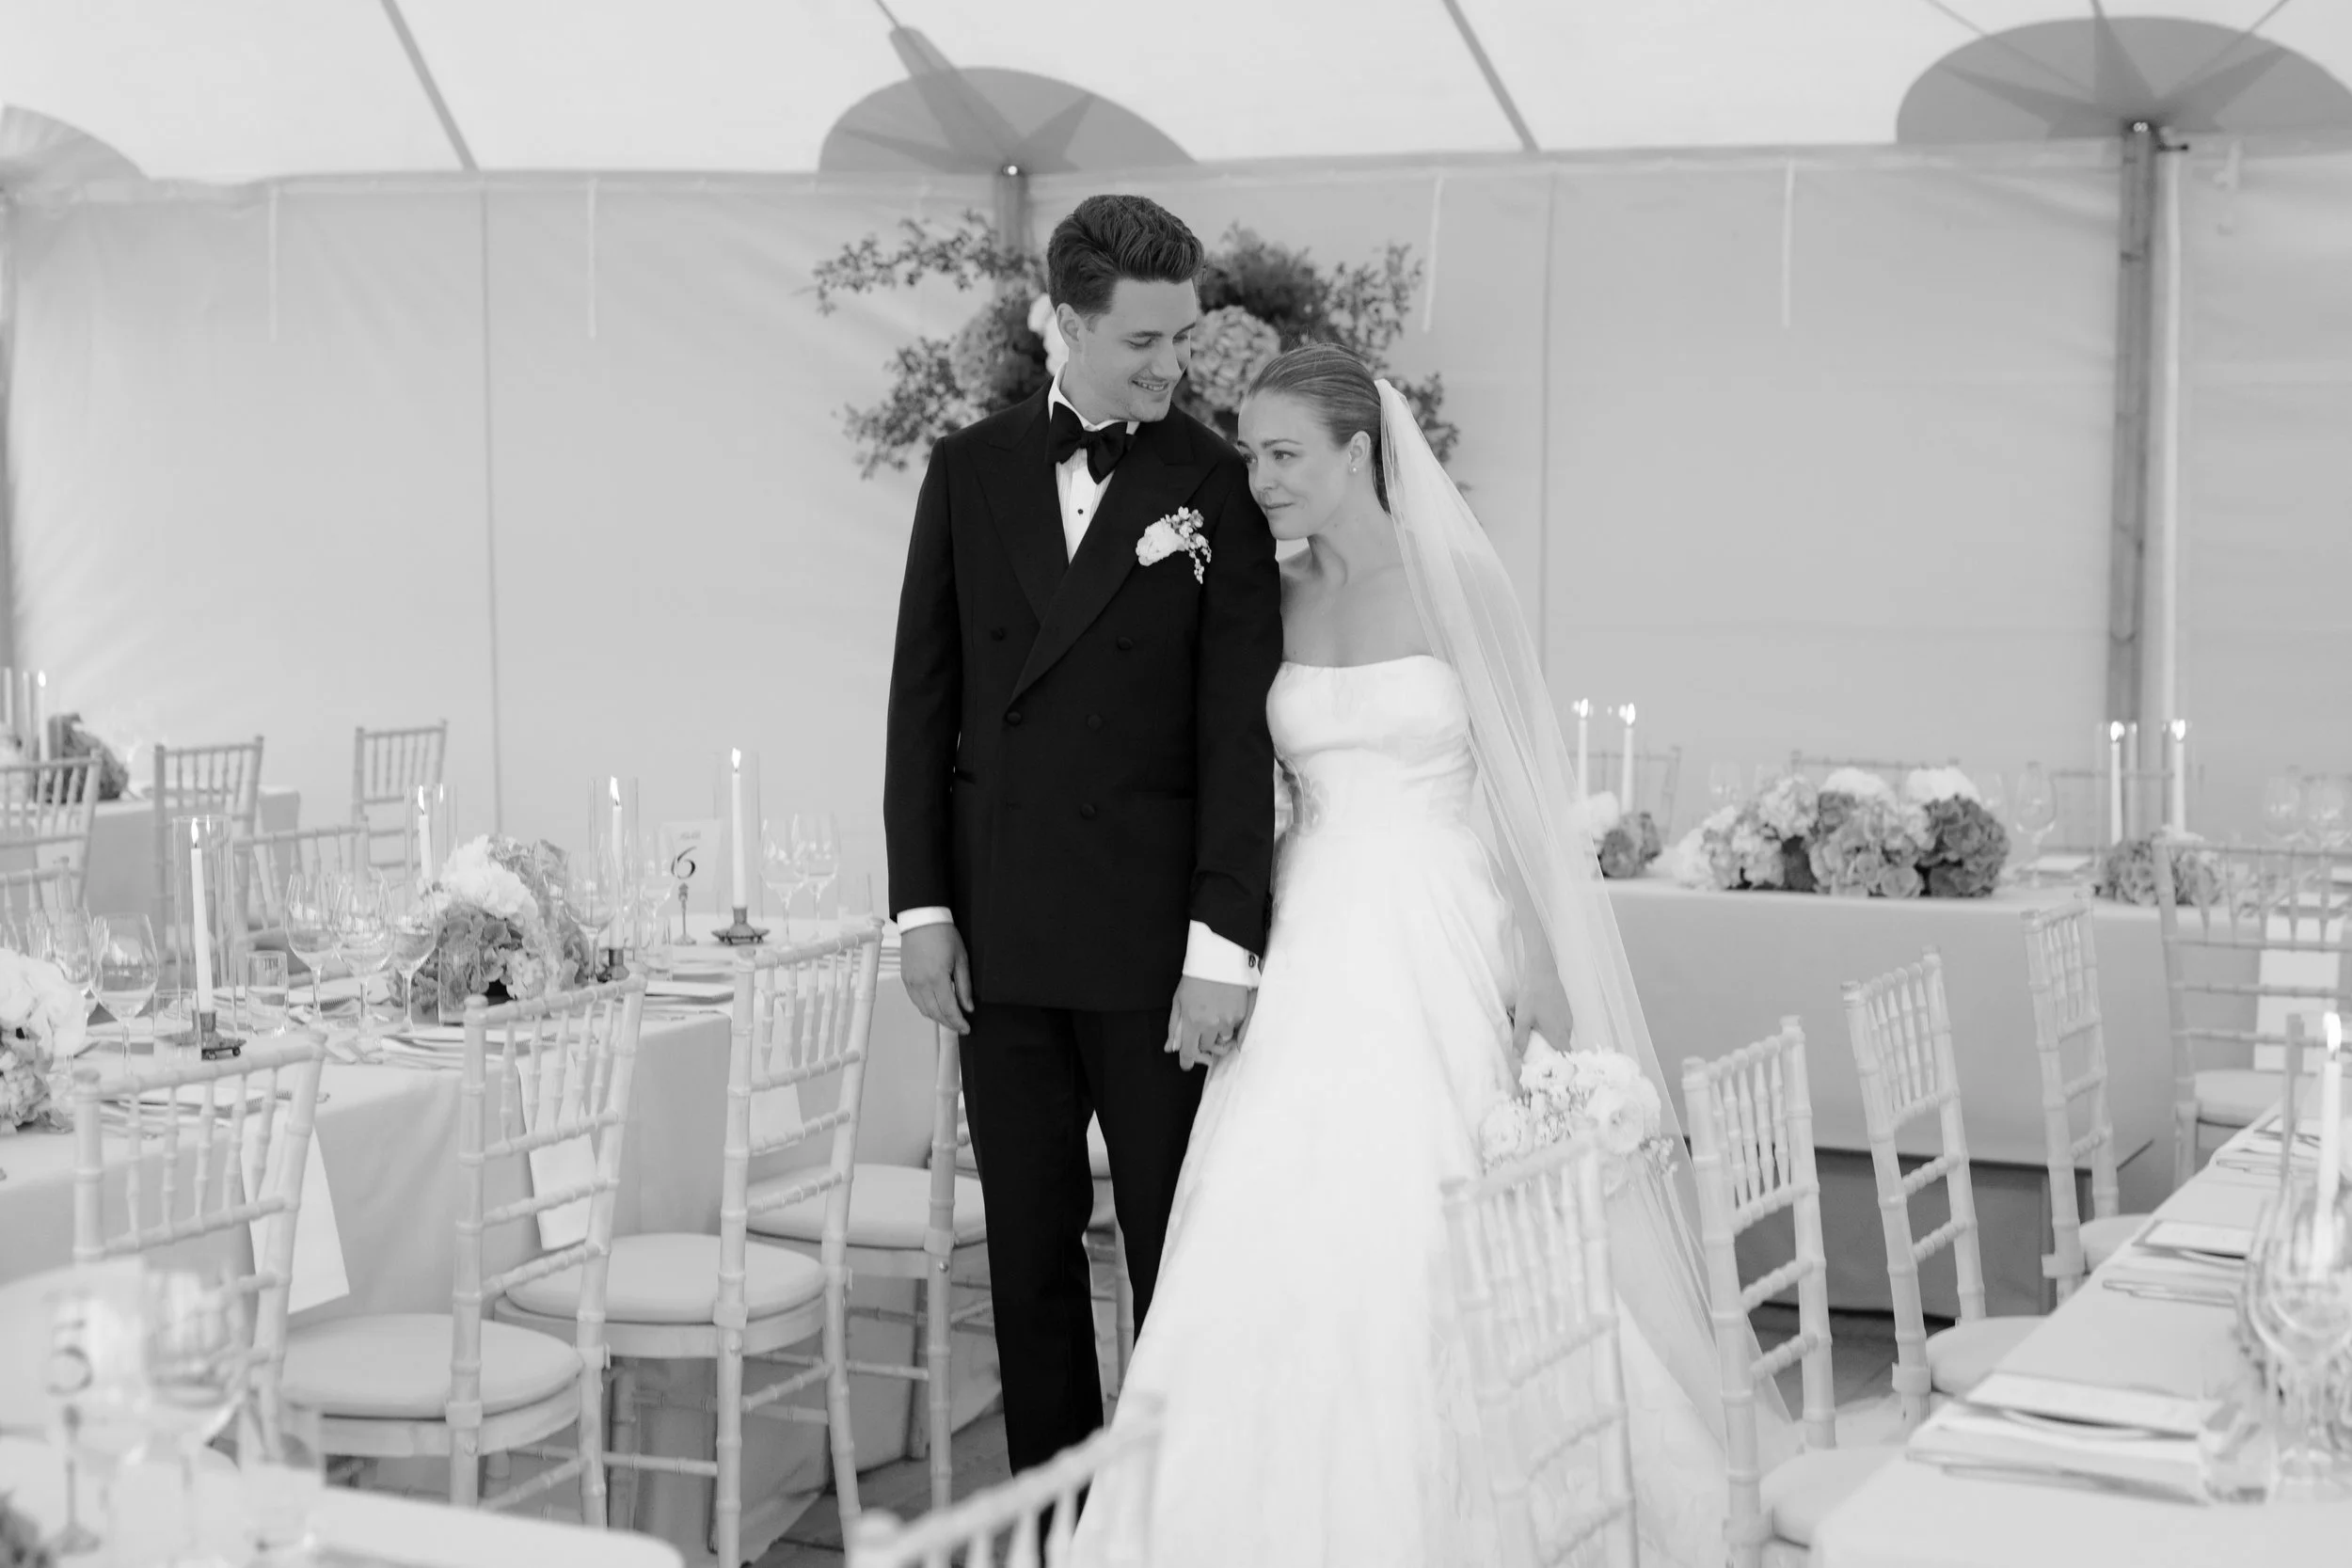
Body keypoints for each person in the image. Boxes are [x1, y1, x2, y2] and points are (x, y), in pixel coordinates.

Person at [1072, 344, 1796, 1565]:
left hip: (1439, 928)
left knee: (1438, 1204)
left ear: (1360, 452)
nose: (1259, 477)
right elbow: (1236, 784)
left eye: (1285, 452)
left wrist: (1547, 963)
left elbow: (1523, 793)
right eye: (1249, 452)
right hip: (1308, 939)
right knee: (1273, 1206)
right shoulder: (1268, 596)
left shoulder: (1461, 587)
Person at [882, 194, 1285, 1475]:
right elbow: (922, 700)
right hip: (999, 929)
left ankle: (1171, 1509)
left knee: (1175, 1243)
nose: (1175, 367)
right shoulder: (970, 467)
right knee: (1030, 1249)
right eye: (1145, 342)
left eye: (1184, 337)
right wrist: (921, 907)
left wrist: (1225, 938)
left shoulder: (1215, 482)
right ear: (1065, 322)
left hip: (1155, 941)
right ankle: (1055, 1512)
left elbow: (1238, 733)